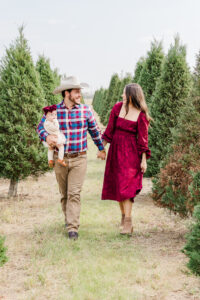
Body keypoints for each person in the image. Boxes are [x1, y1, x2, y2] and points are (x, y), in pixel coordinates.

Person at [37, 76, 106, 240]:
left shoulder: (85, 110)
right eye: (76, 92)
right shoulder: (54, 112)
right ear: (66, 93)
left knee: (74, 193)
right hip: (59, 158)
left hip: (79, 159)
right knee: (65, 194)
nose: (79, 94)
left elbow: (95, 132)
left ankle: (72, 228)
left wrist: (101, 148)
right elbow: (40, 127)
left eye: (80, 91)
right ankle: (69, 220)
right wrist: (46, 137)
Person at [101, 83, 151, 235]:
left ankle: (128, 222)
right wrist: (101, 148)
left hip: (130, 154)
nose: (122, 96)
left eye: (124, 93)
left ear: (131, 95)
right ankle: (123, 218)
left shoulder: (141, 115)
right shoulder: (117, 108)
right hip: (115, 151)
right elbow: (109, 130)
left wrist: (143, 160)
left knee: (126, 188)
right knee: (118, 185)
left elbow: (143, 140)